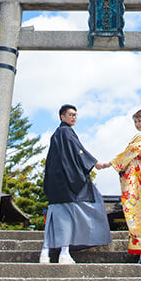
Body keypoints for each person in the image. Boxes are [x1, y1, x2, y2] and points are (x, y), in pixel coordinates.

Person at [40, 104, 112, 264]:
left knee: (54, 216)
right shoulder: (66, 132)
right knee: (76, 211)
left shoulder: (57, 134)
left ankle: (45, 253)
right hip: (67, 183)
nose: (74, 117)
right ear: (62, 117)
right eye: (71, 114)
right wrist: (95, 164)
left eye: (75, 115)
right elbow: (79, 152)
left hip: (55, 183)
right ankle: (64, 252)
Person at [101, 109, 141, 263]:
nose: (138, 124)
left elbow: (130, 153)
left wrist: (110, 163)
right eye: (136, 121)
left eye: (140, 121)